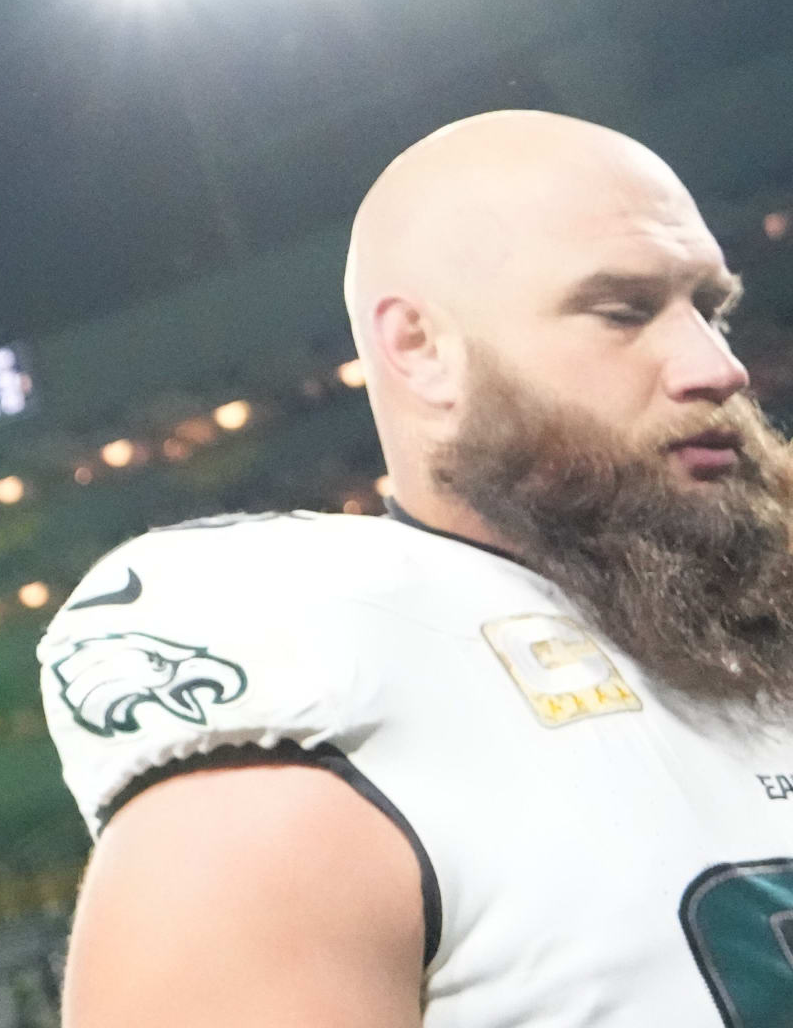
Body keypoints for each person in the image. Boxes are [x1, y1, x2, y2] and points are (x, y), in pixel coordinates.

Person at [44, 108, 793, 1026]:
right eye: (623, 311)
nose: (716, 367)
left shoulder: (756, 624)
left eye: (708, 310)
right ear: (420, 349)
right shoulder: (318, 707)